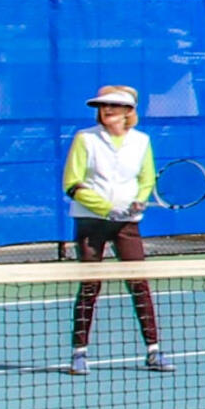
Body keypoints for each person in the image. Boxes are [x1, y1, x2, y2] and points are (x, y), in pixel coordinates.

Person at [61, 85, 169, 374]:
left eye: (113, 105)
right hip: (90, 223)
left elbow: (146, 180)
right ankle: (79, 353)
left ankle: (153, 351)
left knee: (139, 284)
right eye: (102, 105)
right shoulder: (85, 139)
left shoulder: (142, 141)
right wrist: (106, 208)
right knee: (90, 285)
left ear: (128, 111)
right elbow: (73, 183)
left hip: (127, 225)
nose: (106, 110)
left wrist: (138, 202)